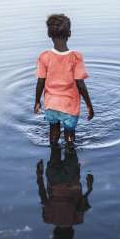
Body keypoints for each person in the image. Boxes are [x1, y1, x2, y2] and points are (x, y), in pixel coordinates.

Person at [34, 14, 94, 145]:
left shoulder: (44, 57)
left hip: (51, 105)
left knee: (53, 134)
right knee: (69, 136)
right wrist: (89, 105)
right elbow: (80, 84)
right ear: (70, 33)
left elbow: (40, 82)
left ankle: (53, 158)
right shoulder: (76, 58)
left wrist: (37, 101)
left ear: (49, 34)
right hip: (69, 107)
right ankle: (70, 156)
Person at [36, 146, 93, 239]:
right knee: (54, 146)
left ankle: (69, 133)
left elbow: (83, 201)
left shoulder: (77, 220)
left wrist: (89, 187)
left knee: (70, 146)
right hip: (53, 178)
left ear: (71, 233)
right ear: (55, 233)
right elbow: (43, 195)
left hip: (71, 179)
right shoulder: (48, 219)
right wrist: (39, 176)